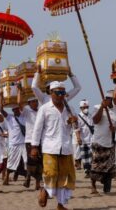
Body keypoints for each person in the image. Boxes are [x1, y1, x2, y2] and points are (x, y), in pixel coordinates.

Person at [31, 81, 77, 210]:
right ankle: (45, 189)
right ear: (51, 93)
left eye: (63, 92)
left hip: (66, 148)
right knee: (51, 174)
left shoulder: (70, 109)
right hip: (50, 147)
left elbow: (75, 127)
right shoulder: (44, 109)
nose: (61, 95)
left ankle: (61, 204)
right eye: (58, 92)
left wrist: (74, 122)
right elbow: (37, 129)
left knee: (65, 177)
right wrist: (34, 146)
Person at [90, 91, 116, 194]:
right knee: (96, 167)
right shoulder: (97, 107)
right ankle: (93, 186)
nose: (111, 101)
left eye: (112, 99)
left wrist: (115, 129)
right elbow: (95, 120)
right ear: (105, 99)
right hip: (99, 142)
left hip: (111, 142)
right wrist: (102, 108)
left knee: (115, 166)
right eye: (109, 99)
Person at [0, 90, 27, 186]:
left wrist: (20, 92)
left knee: (27, 161)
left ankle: (27, 179)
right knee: (10, 163)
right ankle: (6, 178)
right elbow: (1, 110)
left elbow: (21, 104)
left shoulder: (24, 116)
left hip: (24, 143)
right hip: (13, 144)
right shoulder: (10, 118)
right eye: (14, 110)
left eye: (17, 109)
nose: (16, 111)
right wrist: (1, 96)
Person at [17, 85, 42, 190]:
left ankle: (37, 183)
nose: (35, 103)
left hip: (41, 139)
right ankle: (28, 177)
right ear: (29, 103)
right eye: (33, 102)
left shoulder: (41, 110)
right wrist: (20, 91)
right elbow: (19, 103)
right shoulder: (27, 111)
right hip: (29, 140)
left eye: (36, 101)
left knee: (40, 162)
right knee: (31, 161)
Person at [78, 99, 93, 178]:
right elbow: (78, 129)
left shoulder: (91, 115)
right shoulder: (79, 117)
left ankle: (91, 170)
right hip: (83, 139)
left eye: (87, 107)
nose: (85, 108)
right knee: (85, 157)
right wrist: (78, 138)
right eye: (84, 107)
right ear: (80, 108)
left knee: (92, 156)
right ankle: (87, 171)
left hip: (91, 139)